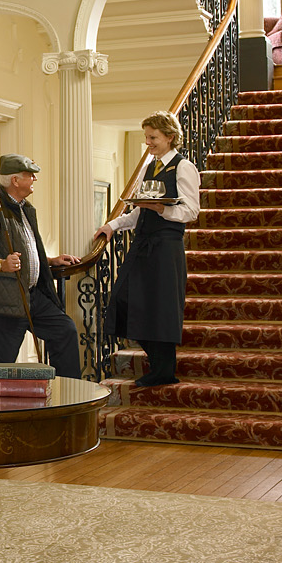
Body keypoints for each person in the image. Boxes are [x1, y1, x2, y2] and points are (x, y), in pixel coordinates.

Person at [95, 111, 201, 387]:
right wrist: (113, 225)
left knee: (161, 307)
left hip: (166, 246)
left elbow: (191, 211)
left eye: (152, 137)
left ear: (169, 137)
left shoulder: (183, 167)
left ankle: (163, 369)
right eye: (146, 137)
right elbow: (138, 209)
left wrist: (163, 209)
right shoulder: (149, 168)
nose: (148, 143)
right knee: (122, 298)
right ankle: (158, 364)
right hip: (143, 244)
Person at [0, 153, 82, 377]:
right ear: (15, 181)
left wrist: (49, 261)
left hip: (30, 295)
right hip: (2, 301)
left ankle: (66, 398)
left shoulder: (23, 208)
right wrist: (2, 265)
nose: (34, 179)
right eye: (30, 175)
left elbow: (25, 250)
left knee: (65, 331)